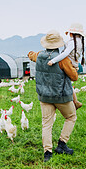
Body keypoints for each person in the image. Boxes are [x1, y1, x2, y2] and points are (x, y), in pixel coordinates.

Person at [27, 30, 78, 162]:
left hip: (44, 96)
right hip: (61, 96)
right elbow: (74, 77)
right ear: (59, 45)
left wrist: (30, 54)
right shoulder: (63, 60)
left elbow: (31, 55)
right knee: (71, 117)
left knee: (47, 124)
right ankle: (62, 144)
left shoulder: (38, 56)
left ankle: (47, 152)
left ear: (45, 44)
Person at [47, 23, 86, 109]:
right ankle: (75, 102)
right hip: (74, 64)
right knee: (67, 81)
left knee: (59, 78)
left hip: (67, 64)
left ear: (71, 33)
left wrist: (53, 61)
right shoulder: (80, 42)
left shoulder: (72, 42)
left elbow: (65, 53)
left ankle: (65, 100)